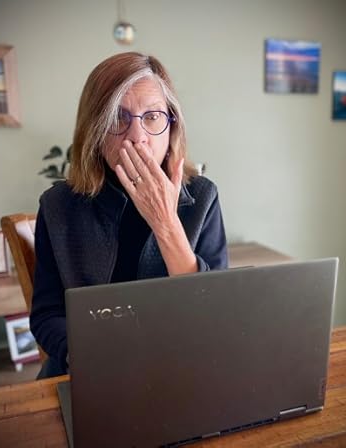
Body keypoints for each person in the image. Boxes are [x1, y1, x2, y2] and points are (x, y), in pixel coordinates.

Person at [30, 52, 228, 378]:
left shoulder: (203, 196)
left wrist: (166, 222)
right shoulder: (59, 205)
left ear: (171, 128)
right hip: (91, 372)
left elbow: (216, 315)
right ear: (94, 132)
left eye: (152, 117)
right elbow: (47, 314)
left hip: (181, 369)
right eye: (118, 118)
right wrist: (89, 356)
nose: (137, 136)